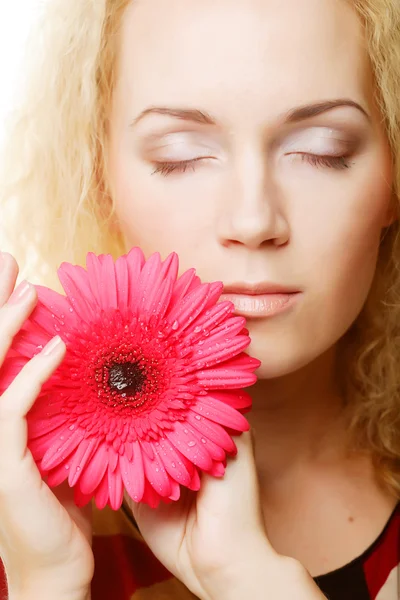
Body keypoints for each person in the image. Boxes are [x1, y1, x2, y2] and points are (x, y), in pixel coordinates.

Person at [0, 0, 399, 598]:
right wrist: (45, 583)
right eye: (181, 157)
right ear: (101, 179)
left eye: (321, 148)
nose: (253, 219)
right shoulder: (30, 508)